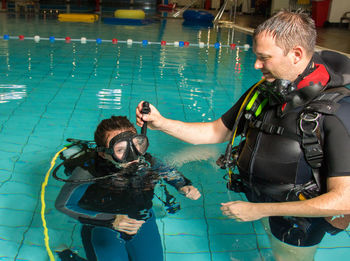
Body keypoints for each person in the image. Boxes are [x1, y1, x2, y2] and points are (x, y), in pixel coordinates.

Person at [136, 10, 350, 261]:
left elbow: (344, 200)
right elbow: (217, 131)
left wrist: (259, 210)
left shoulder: (337, 112)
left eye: (264, 58)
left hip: (297, 219)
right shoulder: (264, 90)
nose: (256, 65)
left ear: (296, 55)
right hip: (258, 201)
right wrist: (161, 124)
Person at [55, 116, 201, 261]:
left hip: (141, 217)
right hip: (102, 224)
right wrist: (110, 220)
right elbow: (63, 204)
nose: (132, 155)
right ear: (103, 153)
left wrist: (183, 185)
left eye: (136, 144)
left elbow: (168, 171)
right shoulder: (89, 171)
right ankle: (69, 257)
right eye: (120, 149)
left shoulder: (147, 161)